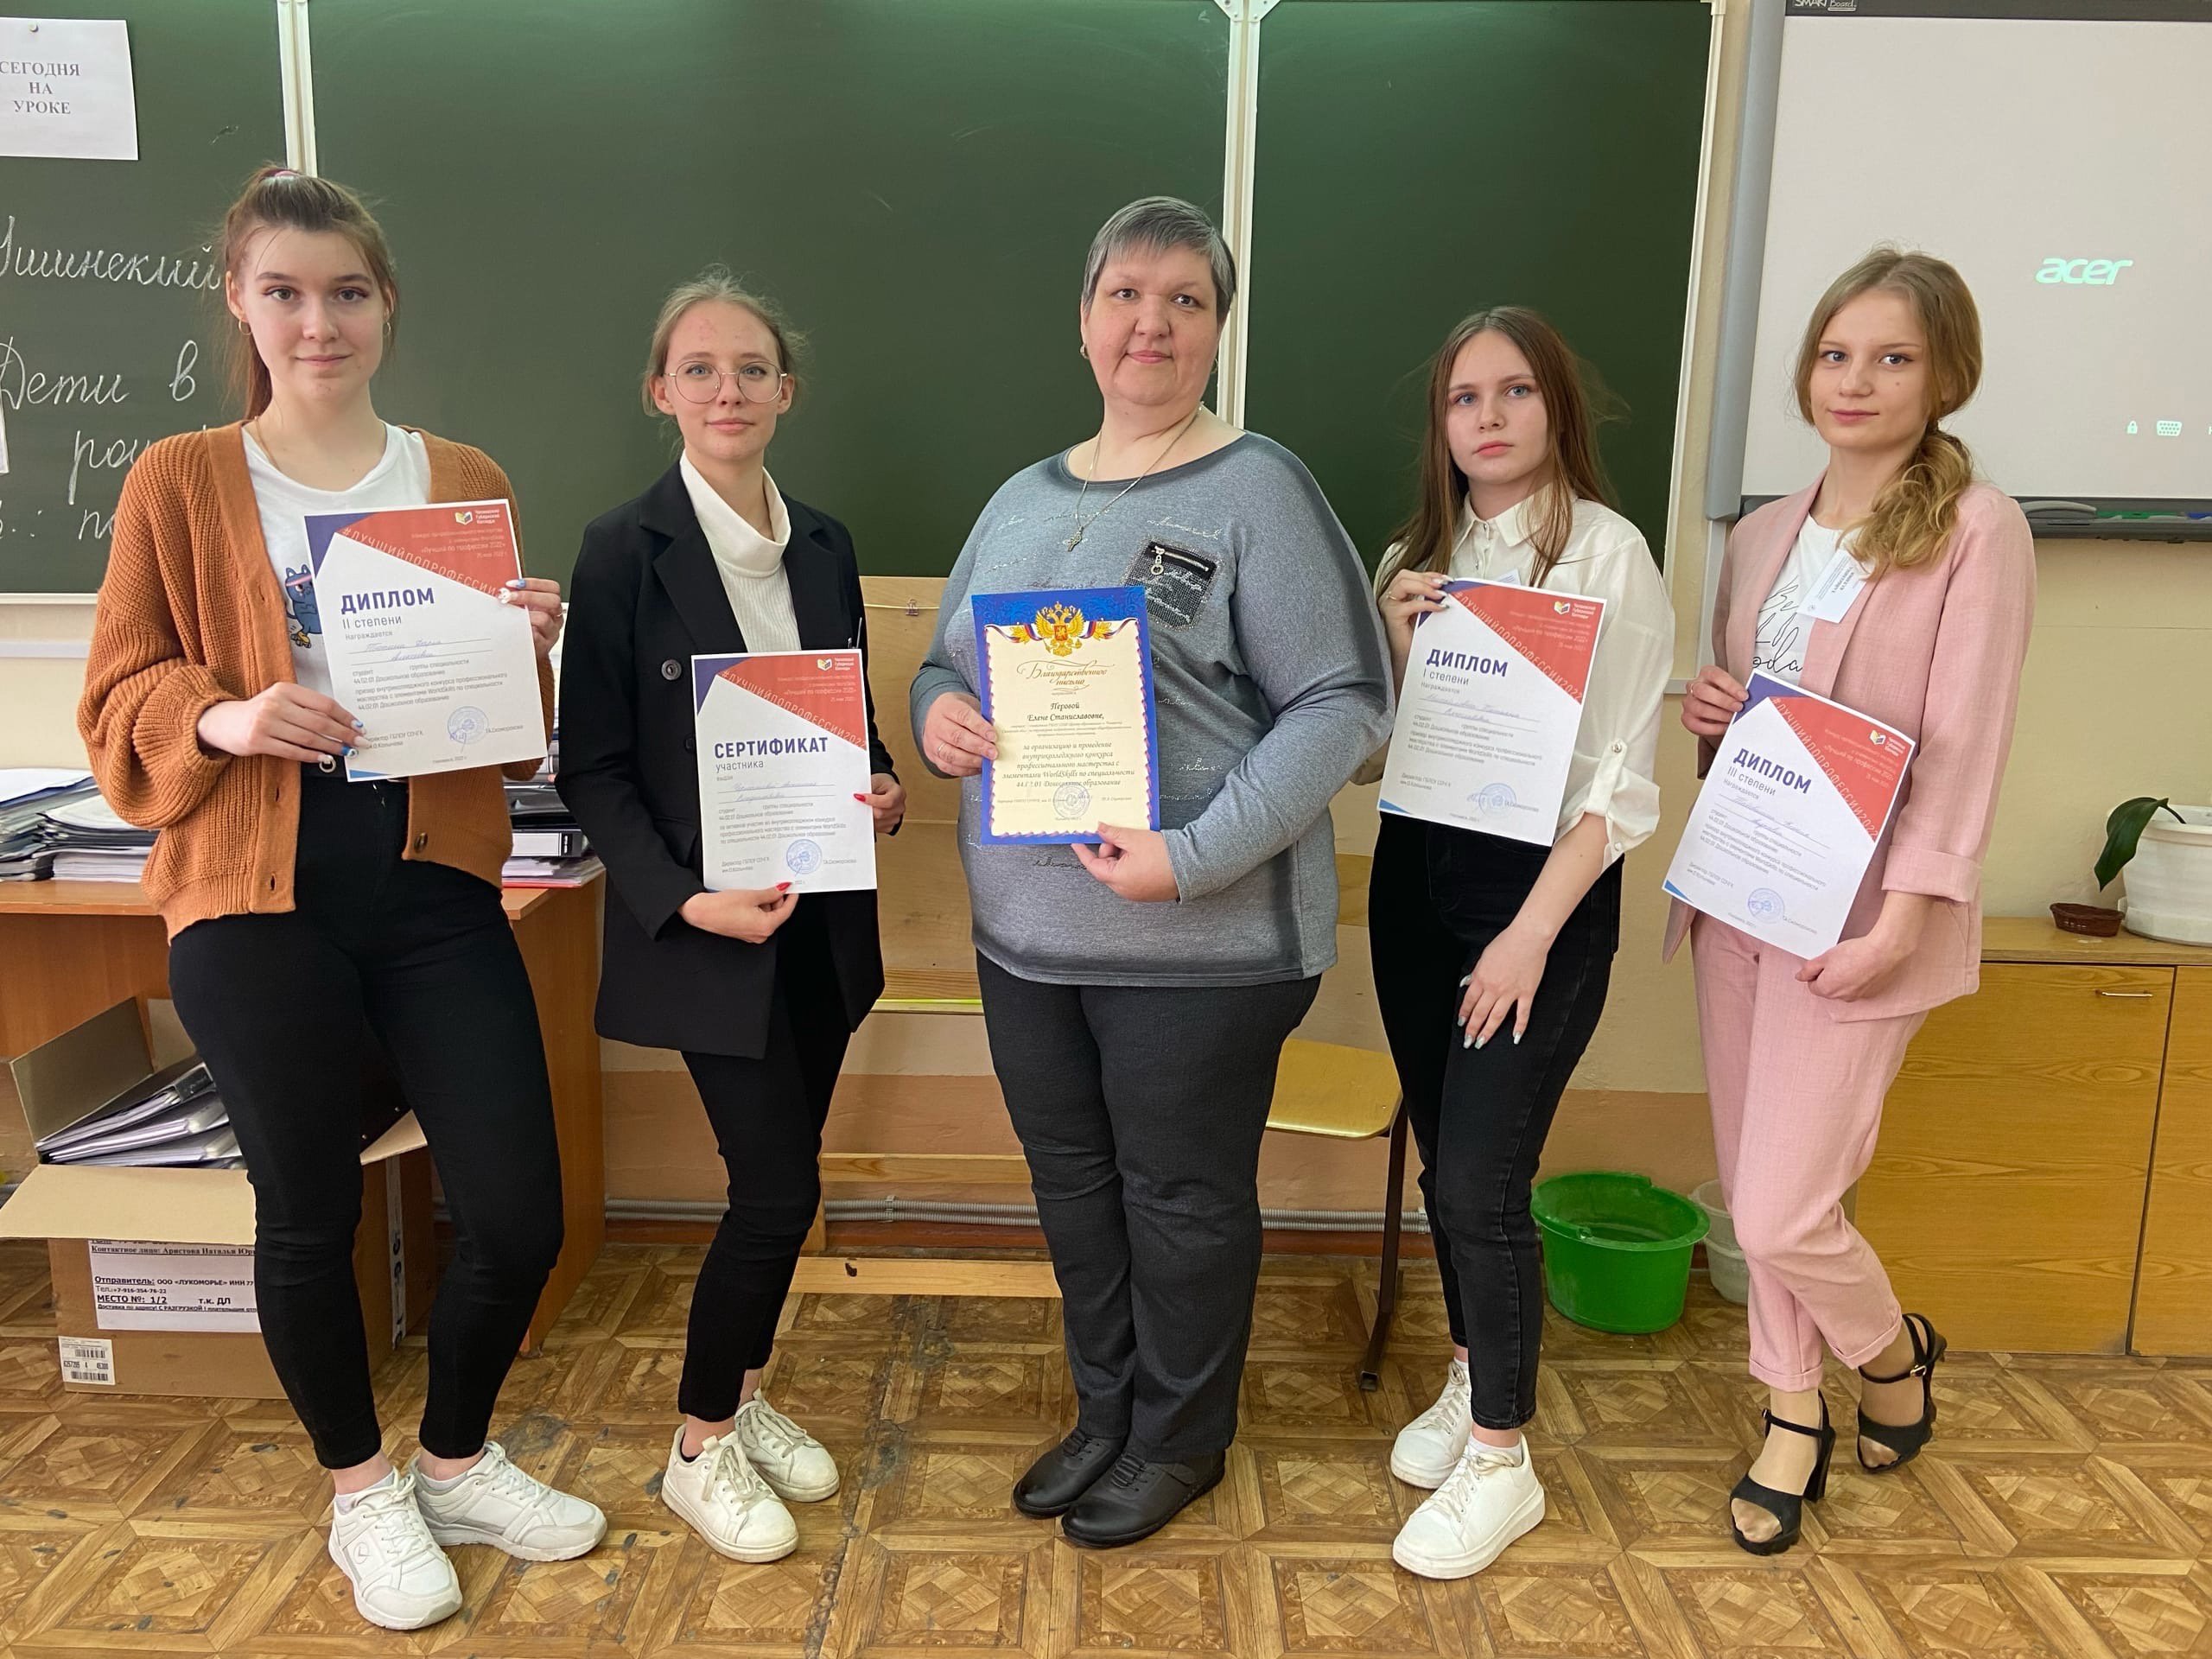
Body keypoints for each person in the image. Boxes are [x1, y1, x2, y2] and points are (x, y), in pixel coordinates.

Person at [77, 167, 602, 1633]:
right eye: (287, 293)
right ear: (241, 305)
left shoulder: (462, 476)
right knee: (308, 1213)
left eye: (348, 292)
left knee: (518, 1214)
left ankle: (456, 1461)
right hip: (253, 893)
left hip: (432, 888)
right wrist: (228, 716)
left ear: (387, 305)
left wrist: (529, 648)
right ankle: (361, 1488)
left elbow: (504, 739)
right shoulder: (181, 478)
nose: (320, 323)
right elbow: (116, 695)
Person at [910, 196, 1391, 1548]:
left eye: (1186, 299)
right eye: (1126, 293)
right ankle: (1108, 1412)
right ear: (1083, 321)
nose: (1152, 322)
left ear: (1218, 329)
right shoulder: (1022, 499)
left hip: (1203, 947)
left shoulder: (1261, 489)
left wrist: (1191, 858)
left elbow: (1347, 703)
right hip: (1028, 943)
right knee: (1075, 1189)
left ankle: (1180, 1440)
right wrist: (938, 713)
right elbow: (946, 661)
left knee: (1179, 1201)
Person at [1668, 246, 2035, 1554]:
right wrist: (1715, 714)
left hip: (1868, 917)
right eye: (1836, 354)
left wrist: (1912, 915)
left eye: (1892, 358)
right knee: (1757, 1190)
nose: (1856, 381)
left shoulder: (1977, 528)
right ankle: (1790, 1408)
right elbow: (1756, 726)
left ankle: (1886, 1355)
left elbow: (1967, 739)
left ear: (1944, 378)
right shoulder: (1765, 531)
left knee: (1784, 1207)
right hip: (1742, 898)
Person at [556, 271, 905, 1562]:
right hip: (715, 933)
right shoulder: (620, 548)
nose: (728, 390)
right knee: (774, 1191)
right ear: (662, 391)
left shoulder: (825, 545)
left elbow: (840, 713)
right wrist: (682, 899)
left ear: (787, 392)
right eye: (699, 369)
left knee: (781, 1186)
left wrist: (880, 782)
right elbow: (592, 768)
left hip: (823, 922)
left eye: (752, 368)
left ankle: (749, 1398)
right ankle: (701, 1444)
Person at [1367, 308, 1673, 1579]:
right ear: (1440, 424)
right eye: (1463, 399)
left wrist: (1529, 938)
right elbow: (1378, 756)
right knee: (1448, 1161)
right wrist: (1394, 646)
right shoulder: (1416, 558)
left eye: (1515, 392)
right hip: (1414, 882)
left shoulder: (1607, 552)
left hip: (1539, 898)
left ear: (1558, 408)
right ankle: (1467, 1370)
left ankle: (1504, 1461)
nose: (1488, 418)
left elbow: (1622, 780)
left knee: (1485, 1184)